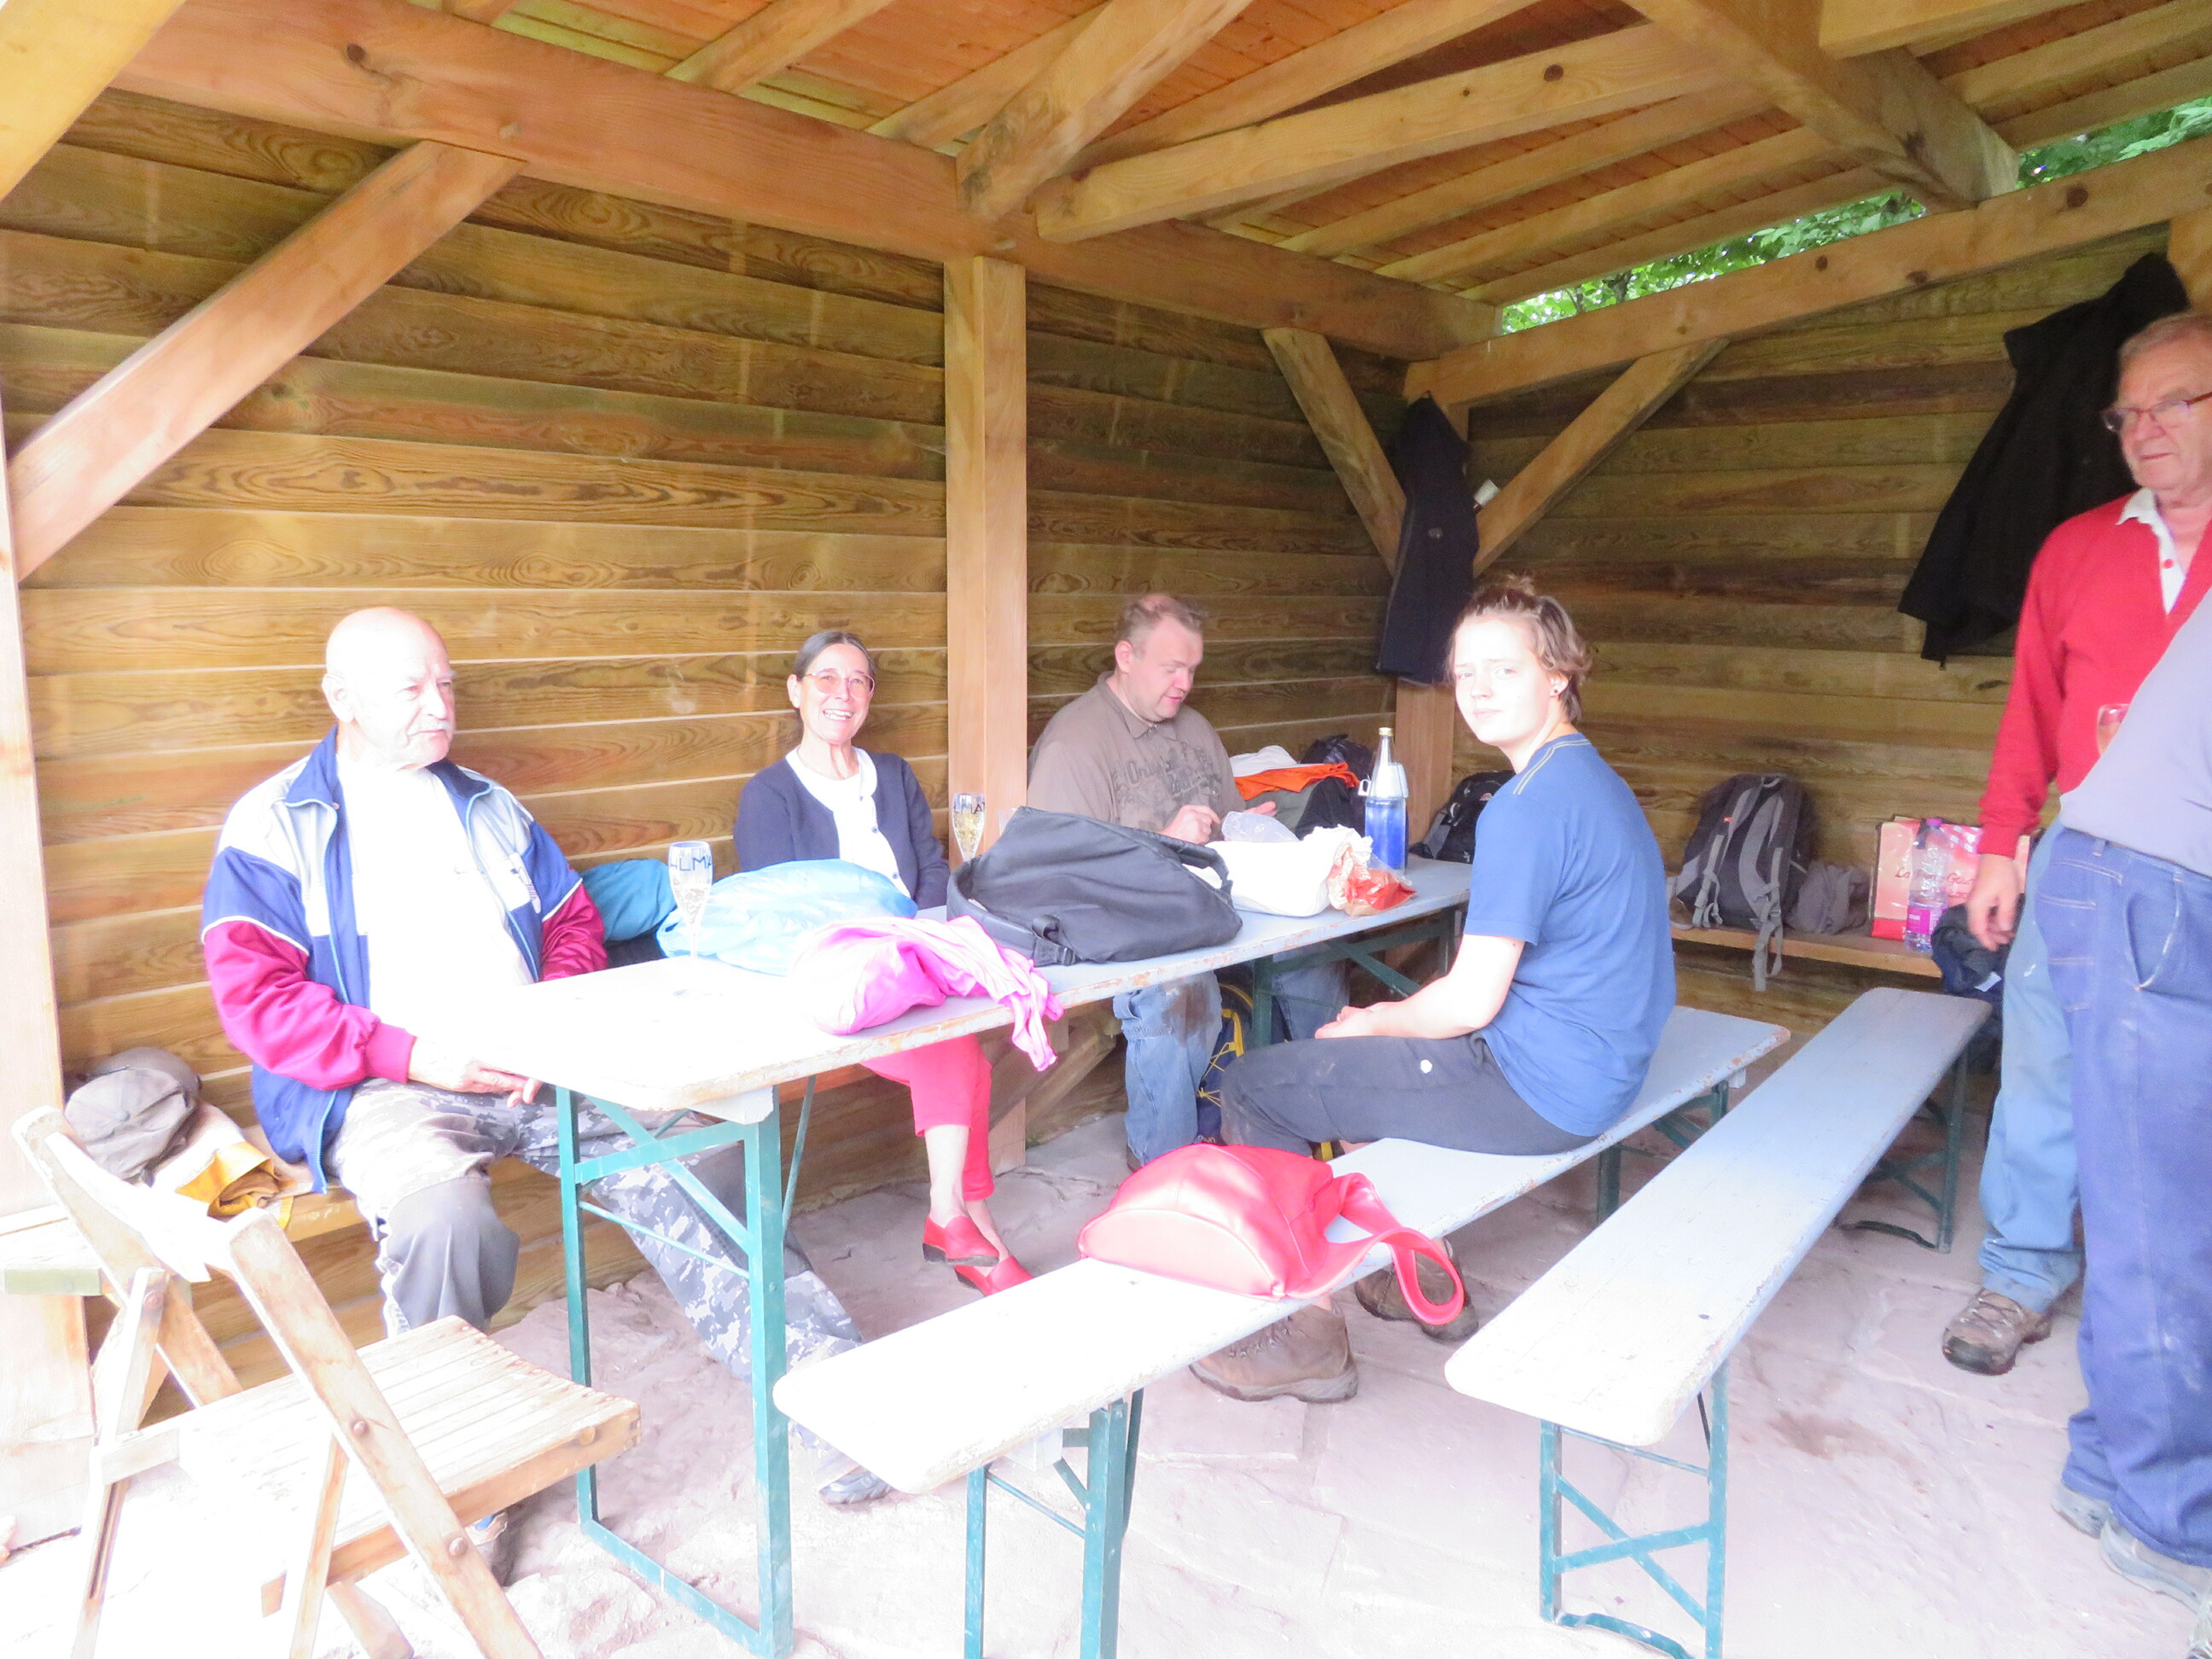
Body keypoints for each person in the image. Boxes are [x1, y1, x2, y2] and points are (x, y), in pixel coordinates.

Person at [201, 608, 890, 1512]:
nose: (439, 705)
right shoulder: (276, 825)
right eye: (411, 689)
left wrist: (550, 1023)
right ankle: (454, 1482)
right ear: (343, 699)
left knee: (702, 1155)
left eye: (446, 684)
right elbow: (257, 1001)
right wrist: (418, 1056)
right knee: (444, 1220)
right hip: (382, 1084)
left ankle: (832, 1399)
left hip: (538, 1060)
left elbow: (573, 924)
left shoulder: (489, 807)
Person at [1190, 577, 1674, 1403]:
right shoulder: (1593, 779)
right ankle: (1419, 1267)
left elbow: (1471, 1001)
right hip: (1602, 1063)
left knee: (1258, 1088)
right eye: (1466, 671)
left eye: (1504, 670)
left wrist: (1378, 1021)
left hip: (1546, 1085)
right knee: (1362, 1071)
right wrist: (1388, 1033)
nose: (1478, 689)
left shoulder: (1525, 807)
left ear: (1559, 675)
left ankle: (1308, 1332)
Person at [1946, 310, 2212, 1377]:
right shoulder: (2077, 546)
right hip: (2087, 851)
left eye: (2173, 402)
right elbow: (2030, 707)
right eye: (2127, 412)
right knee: (2047, 1062)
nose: (2144, 428)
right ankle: (2021, 1272)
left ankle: (2175, 1300)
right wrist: (2002, 846)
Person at [735, 629, 1032, 1295]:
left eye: (858, 681)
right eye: (826, 678)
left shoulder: (893, 775)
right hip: (840, 980)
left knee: (965, 1040)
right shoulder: (770, 795)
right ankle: (961, 1221)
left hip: (917, 962)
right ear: (796, 691)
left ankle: (960, 1224)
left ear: (870, 696)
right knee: (956, 1049)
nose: (843, 694)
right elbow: (781, 911)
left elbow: (932, 870)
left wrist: (921, 940)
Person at [1027, 593, 1343, 1167]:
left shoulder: (1194, 729)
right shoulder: (1075, 742)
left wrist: (1246, 829)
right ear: (1126, 656)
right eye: (1172, 668)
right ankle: (1163, 1164)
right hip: (1130, 928)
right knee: (1181, 993)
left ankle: (1334, 1125)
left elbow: (1225, 825)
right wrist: (1165, 841)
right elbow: (1061, 879)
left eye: (1192, 669)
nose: (1185, 684)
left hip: (1215, 910)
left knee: (1312, 949)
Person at [2036, 579, 2212, 1608]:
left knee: (2152, 1210)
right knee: (2163, 1225)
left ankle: (2110, 1467)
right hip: (2161, 890)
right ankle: (2175, 1528)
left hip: (2145, 878)